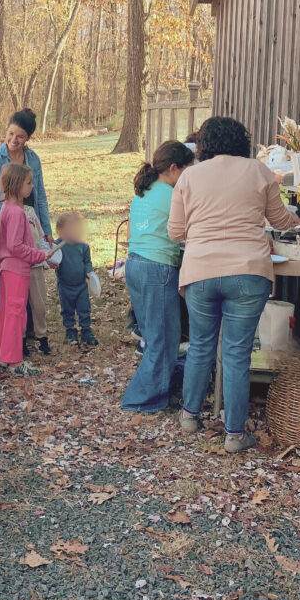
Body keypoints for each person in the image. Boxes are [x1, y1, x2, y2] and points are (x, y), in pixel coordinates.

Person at [168, 116, 300, 453]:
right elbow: (279, 219)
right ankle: (235, 436)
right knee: (237, 354)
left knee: (200, 345)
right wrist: (296, 219)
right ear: (241, 141)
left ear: (204, 145)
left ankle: (189, 416)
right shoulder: (258, 171)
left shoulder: (189, 176)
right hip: (248, 271)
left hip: (200, 272)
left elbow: (176, 232)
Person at [121, 141, 194, 418]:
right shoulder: (172, 195)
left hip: (136, 264)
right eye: (187, 170)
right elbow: (185, 230)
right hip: (158, 268)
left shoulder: (143, 191)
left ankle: (158, 391)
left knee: (154, 335)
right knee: (165, 337)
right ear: (174, 168)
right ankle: (142, 398)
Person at [0, 163, 56, 374]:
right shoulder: (17, 212)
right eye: (28, 182)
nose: (32, 186)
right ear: (17, 185)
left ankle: (2, 355)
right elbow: (15, 246)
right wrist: (39, 255)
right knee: (16, 314)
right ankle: (14, 361)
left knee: (6, 312)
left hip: (6, 268)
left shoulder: (6, 209)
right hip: (16, 269)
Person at [0, 108, 52, 243]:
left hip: (31, 224)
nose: (13, 140)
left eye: (20, 137)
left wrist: (47, 231)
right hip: (6, 227)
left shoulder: (33, 159)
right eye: (11, 133)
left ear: (28, 138)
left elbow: (40, 198)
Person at [54, 211, 98, 347]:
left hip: (81, 286)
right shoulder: (58, 245)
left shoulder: (83, 246)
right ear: (61, 231)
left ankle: (86, 331)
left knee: (84, 308)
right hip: (65, 285)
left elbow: (87, 262)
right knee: (67, 309)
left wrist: (89, 273)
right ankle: (70, 331)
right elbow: (52, 260)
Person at [24, 204, 52, 356]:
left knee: (39, 304)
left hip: (36, 265)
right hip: (19, 267)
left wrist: (47, 256)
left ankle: (42, 337)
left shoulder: (30, 211)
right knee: (20, 306)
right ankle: (20, 340)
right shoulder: (6, 211)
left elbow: (40, 238)